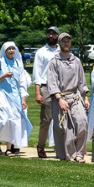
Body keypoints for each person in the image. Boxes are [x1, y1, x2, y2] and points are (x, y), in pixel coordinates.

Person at [43, 33, 90, 162]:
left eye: (68, 41)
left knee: (82, 123)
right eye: (63, 41)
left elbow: (81, 81)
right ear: (59, 43)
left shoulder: (76, 60)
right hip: (60, 97)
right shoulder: (54, 62)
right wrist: (59, 99)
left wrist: (85, 97)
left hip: (75, 97)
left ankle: (79, 153)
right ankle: (68, 154)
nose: (66, 44)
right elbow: (52, 82)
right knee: (64, 128)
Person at [0, 42, 32, 156]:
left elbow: (22, 82)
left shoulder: (18, 64)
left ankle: (9, 148)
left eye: (13, 48)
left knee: (13, 121)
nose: (11, 51)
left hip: (15, 96)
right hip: (0, 94)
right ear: (4, 50)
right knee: (2, 120)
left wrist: (23, 98)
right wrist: (3, 76)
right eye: (9, 49)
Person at [31, 26, 61, 158]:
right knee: (46, 119)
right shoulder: (41, 52)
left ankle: (61, 146)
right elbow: (37, 74)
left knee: (62, 119)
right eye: (49, 33)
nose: (51, 36)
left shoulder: (63, 51)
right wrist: (38, 93)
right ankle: (41, 146)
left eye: (53, 34)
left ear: (58, 36)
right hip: (46, 87)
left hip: (61, 88)